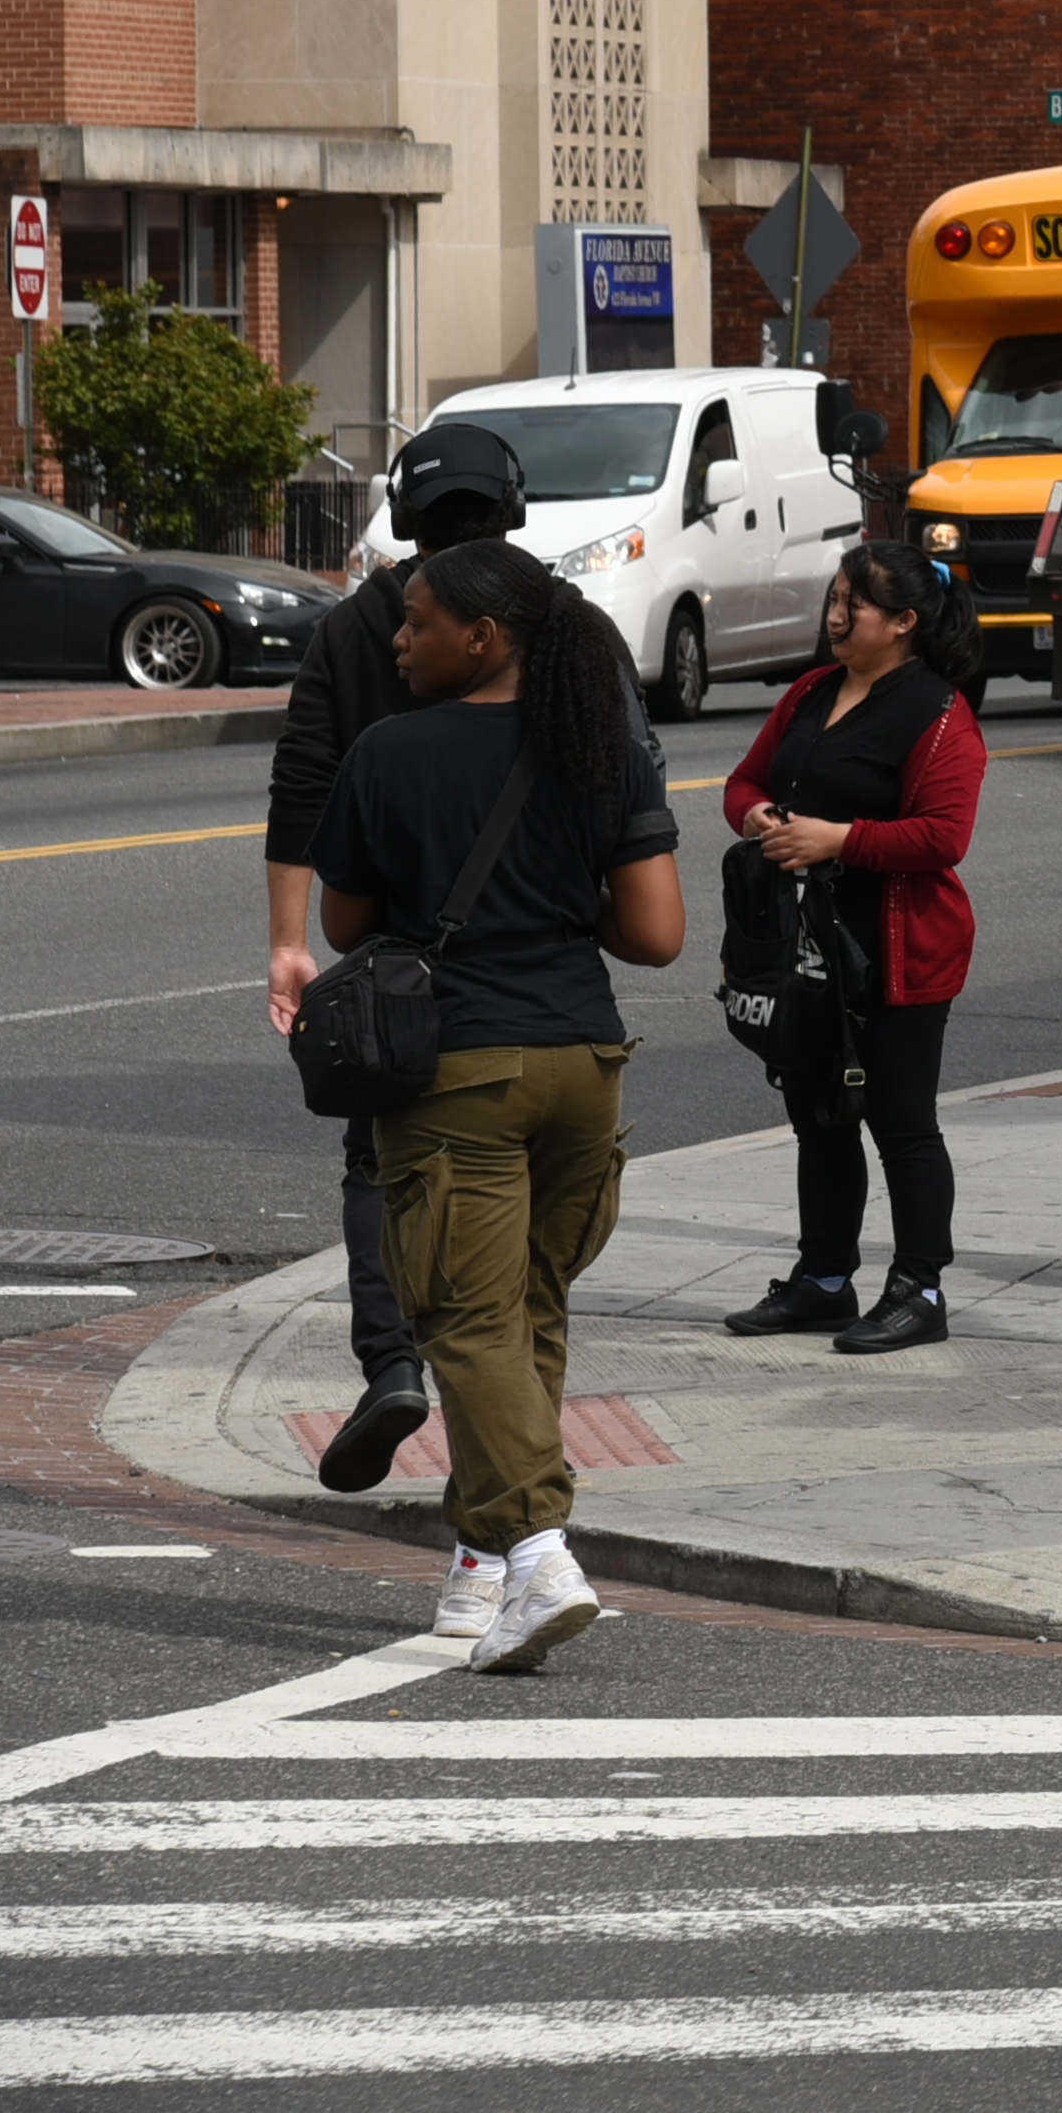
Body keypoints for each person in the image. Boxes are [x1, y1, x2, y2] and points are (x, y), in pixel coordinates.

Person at [309, 535, 683, 1677]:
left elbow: (345, 921)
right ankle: (482, 1568)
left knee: (464, 1322)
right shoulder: (599, 743)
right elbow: (656, 933)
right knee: (524, 1316)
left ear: (487, 635)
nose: (399, 636)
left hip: (458, 1071)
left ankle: (539, 1549)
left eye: (417, 620)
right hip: (583, 1058)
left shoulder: (390, 752)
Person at [260, 419, 534, 1511]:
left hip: (392, 961)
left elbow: (301, 782)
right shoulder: (555, 620)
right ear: (510, 509)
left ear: (406, 517)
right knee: (514, 1196)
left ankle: (393, 1362)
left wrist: (290, 942)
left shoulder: (361, 625)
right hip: (537, 956)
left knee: (380, 1164)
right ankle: (509, 1470)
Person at [715, 539, 995, 1354]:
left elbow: (944, 837)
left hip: (901, 950)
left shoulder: (941, 714)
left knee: (901, 1123)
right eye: (834, 601)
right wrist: (758, 818)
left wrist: (839, 839)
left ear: (904, 623)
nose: (836, 618)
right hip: (808, 952)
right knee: (819, 1118)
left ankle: (920, 1289)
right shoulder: (810, 691)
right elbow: (744, 782)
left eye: (854, 606)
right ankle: (824, 1280)